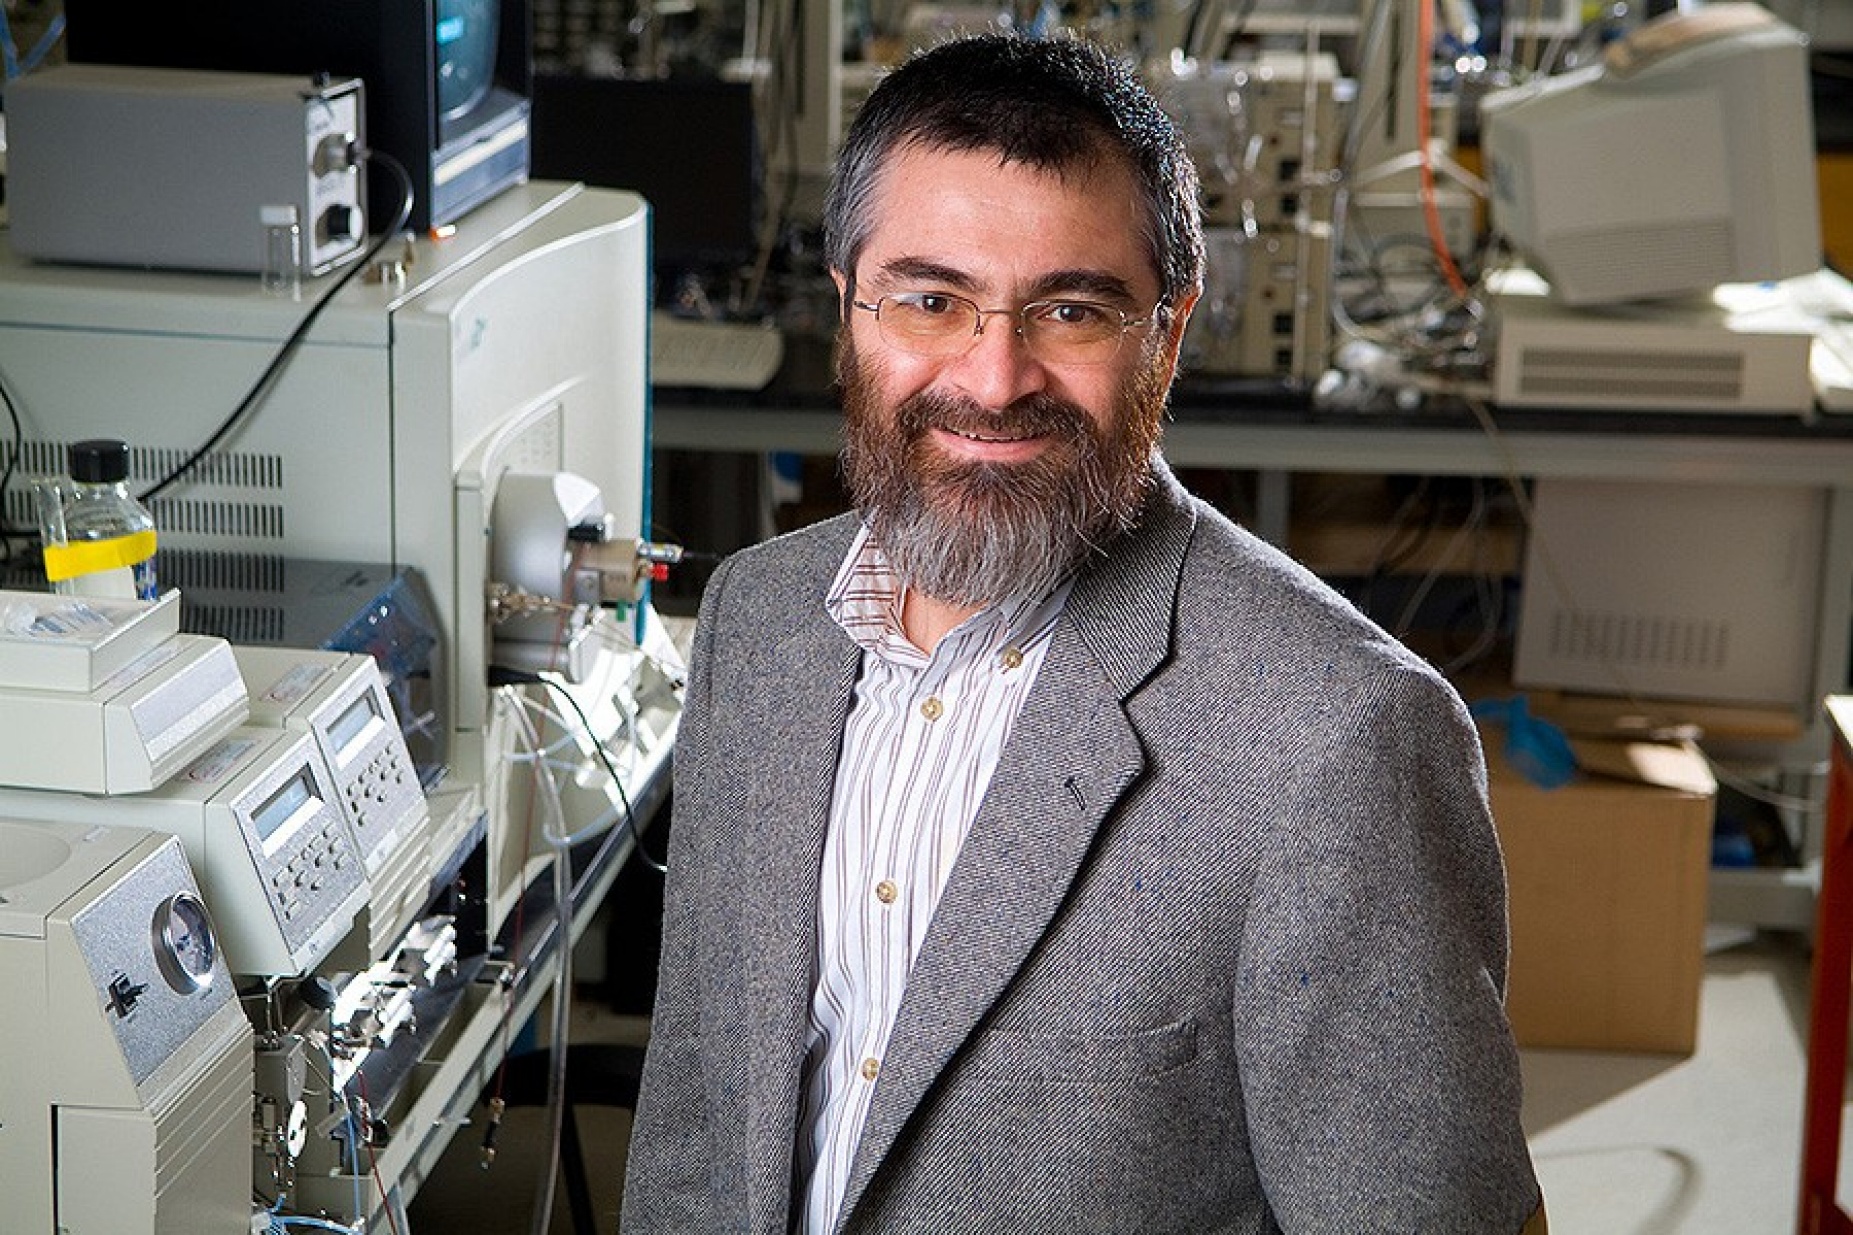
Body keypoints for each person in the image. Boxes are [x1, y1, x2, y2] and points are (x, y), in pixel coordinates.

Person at [622, 31, 1545, 1235]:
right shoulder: (757, 624)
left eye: (1070, 308)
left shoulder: (1336, 738)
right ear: (847, 307)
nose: (992, 377)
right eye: (929, 299)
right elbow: (700, 1118)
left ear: (1165, 334)